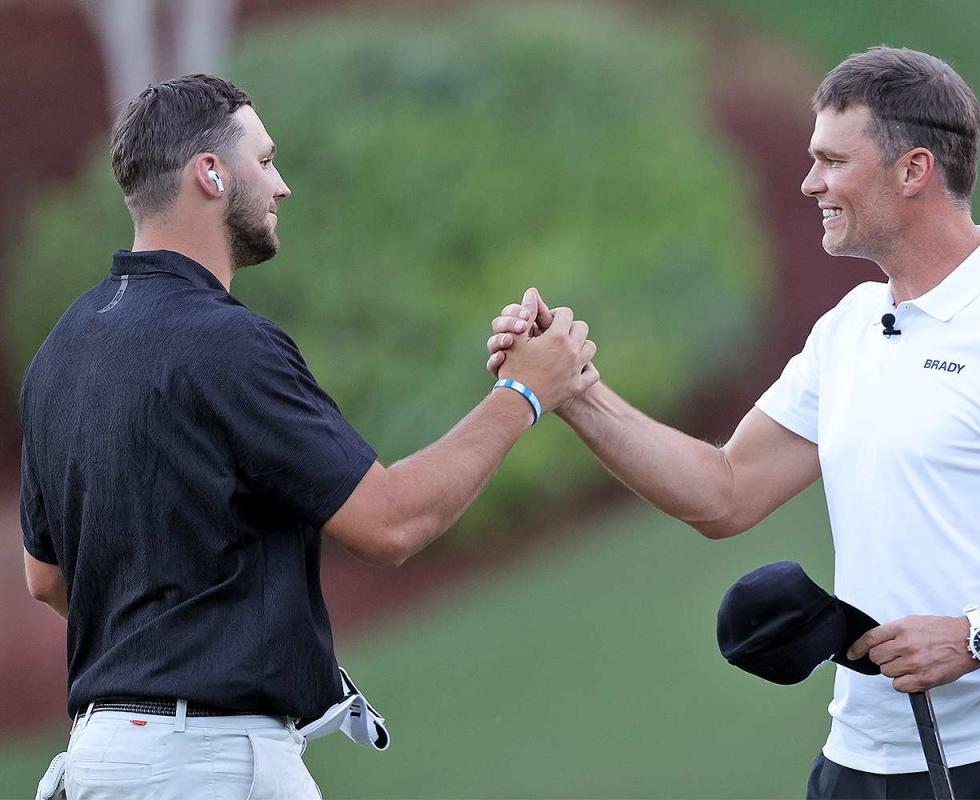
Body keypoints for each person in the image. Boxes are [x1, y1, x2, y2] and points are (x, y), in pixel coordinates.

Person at [486, 47, 980, 798]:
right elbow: (725, 492)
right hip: (860, 761)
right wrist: (573, 391)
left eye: (831, 160)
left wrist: (978, 636)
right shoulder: (852, 324)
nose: (809, 182)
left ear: (912, 171)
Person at [20, 74, 597, 800]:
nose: (282, 185)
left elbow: (45, 578)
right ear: (210, 172)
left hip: (104, 757)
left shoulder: (58, 352)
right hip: (205, 763)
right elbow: (392, 523)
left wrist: (172, 637)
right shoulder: (228, 345)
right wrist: (524, 392)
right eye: (265, 161)